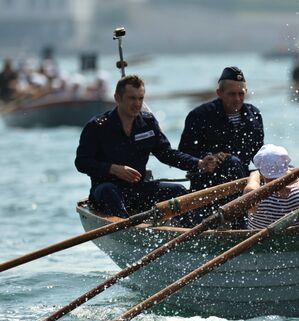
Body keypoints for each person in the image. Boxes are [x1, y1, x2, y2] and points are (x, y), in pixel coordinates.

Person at [75, 75, 197, 224]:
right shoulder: (97, 126)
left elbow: (166, 154)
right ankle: (127, 229)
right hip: (105, 192)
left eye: (141, 98)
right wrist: (113, 169)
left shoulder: (148, 123)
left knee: (178, 191)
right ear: (117, 98)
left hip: (137, 191)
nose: (137, 104)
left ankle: (189, 231)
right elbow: (82, 162)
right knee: (109, 191)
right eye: (132, 98)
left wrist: (198, 164)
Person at [178, 66, 264, 223]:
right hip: (208, 189)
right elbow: (182, 155)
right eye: (232, 94)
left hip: (244, 186)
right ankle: (240, 222)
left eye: (241, 94)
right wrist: (206, 160)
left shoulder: (254, 115)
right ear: (219, 93)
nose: (237, 99)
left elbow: (259, 155)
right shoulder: (199, 116)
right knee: (231, 162)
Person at [244, 144, 299, 229]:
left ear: (260, 170)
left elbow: (252, 185)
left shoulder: (255, 195)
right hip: (289, 238)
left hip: (261, 240)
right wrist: (288, 171)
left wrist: (254, 175)